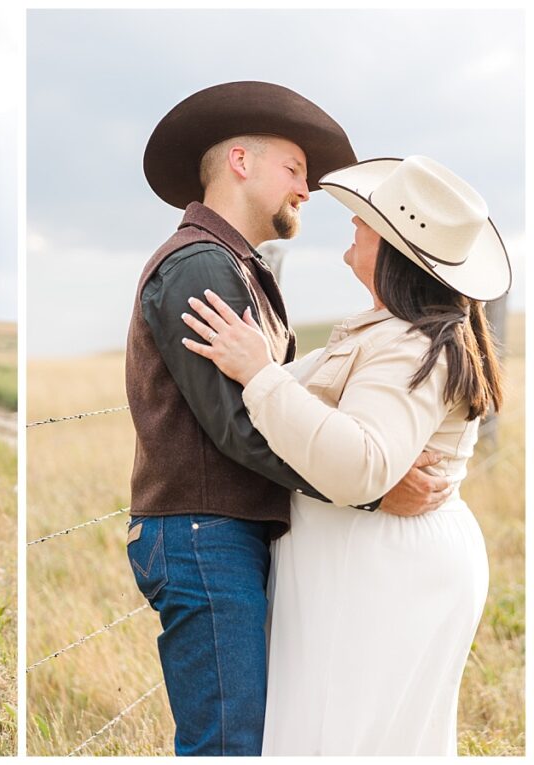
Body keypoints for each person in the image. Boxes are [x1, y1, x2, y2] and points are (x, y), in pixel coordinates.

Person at [124, 83, 448, 756]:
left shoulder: (236, 266)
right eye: (295, 170)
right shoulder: (199, 266)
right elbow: (240, 427)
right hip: (202, 533)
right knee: (228, 744)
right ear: (240, 161)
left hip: (223, 531)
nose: (308, 189)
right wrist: (367, 488)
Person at [181, 155, 508, 755]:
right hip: (377, 565)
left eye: (363, 221)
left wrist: (259, 374)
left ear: (389, 246)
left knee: (342, 738)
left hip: (380, 572)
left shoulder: (411, 343)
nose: (351, 227)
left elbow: (361, 464)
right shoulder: (394, 329)